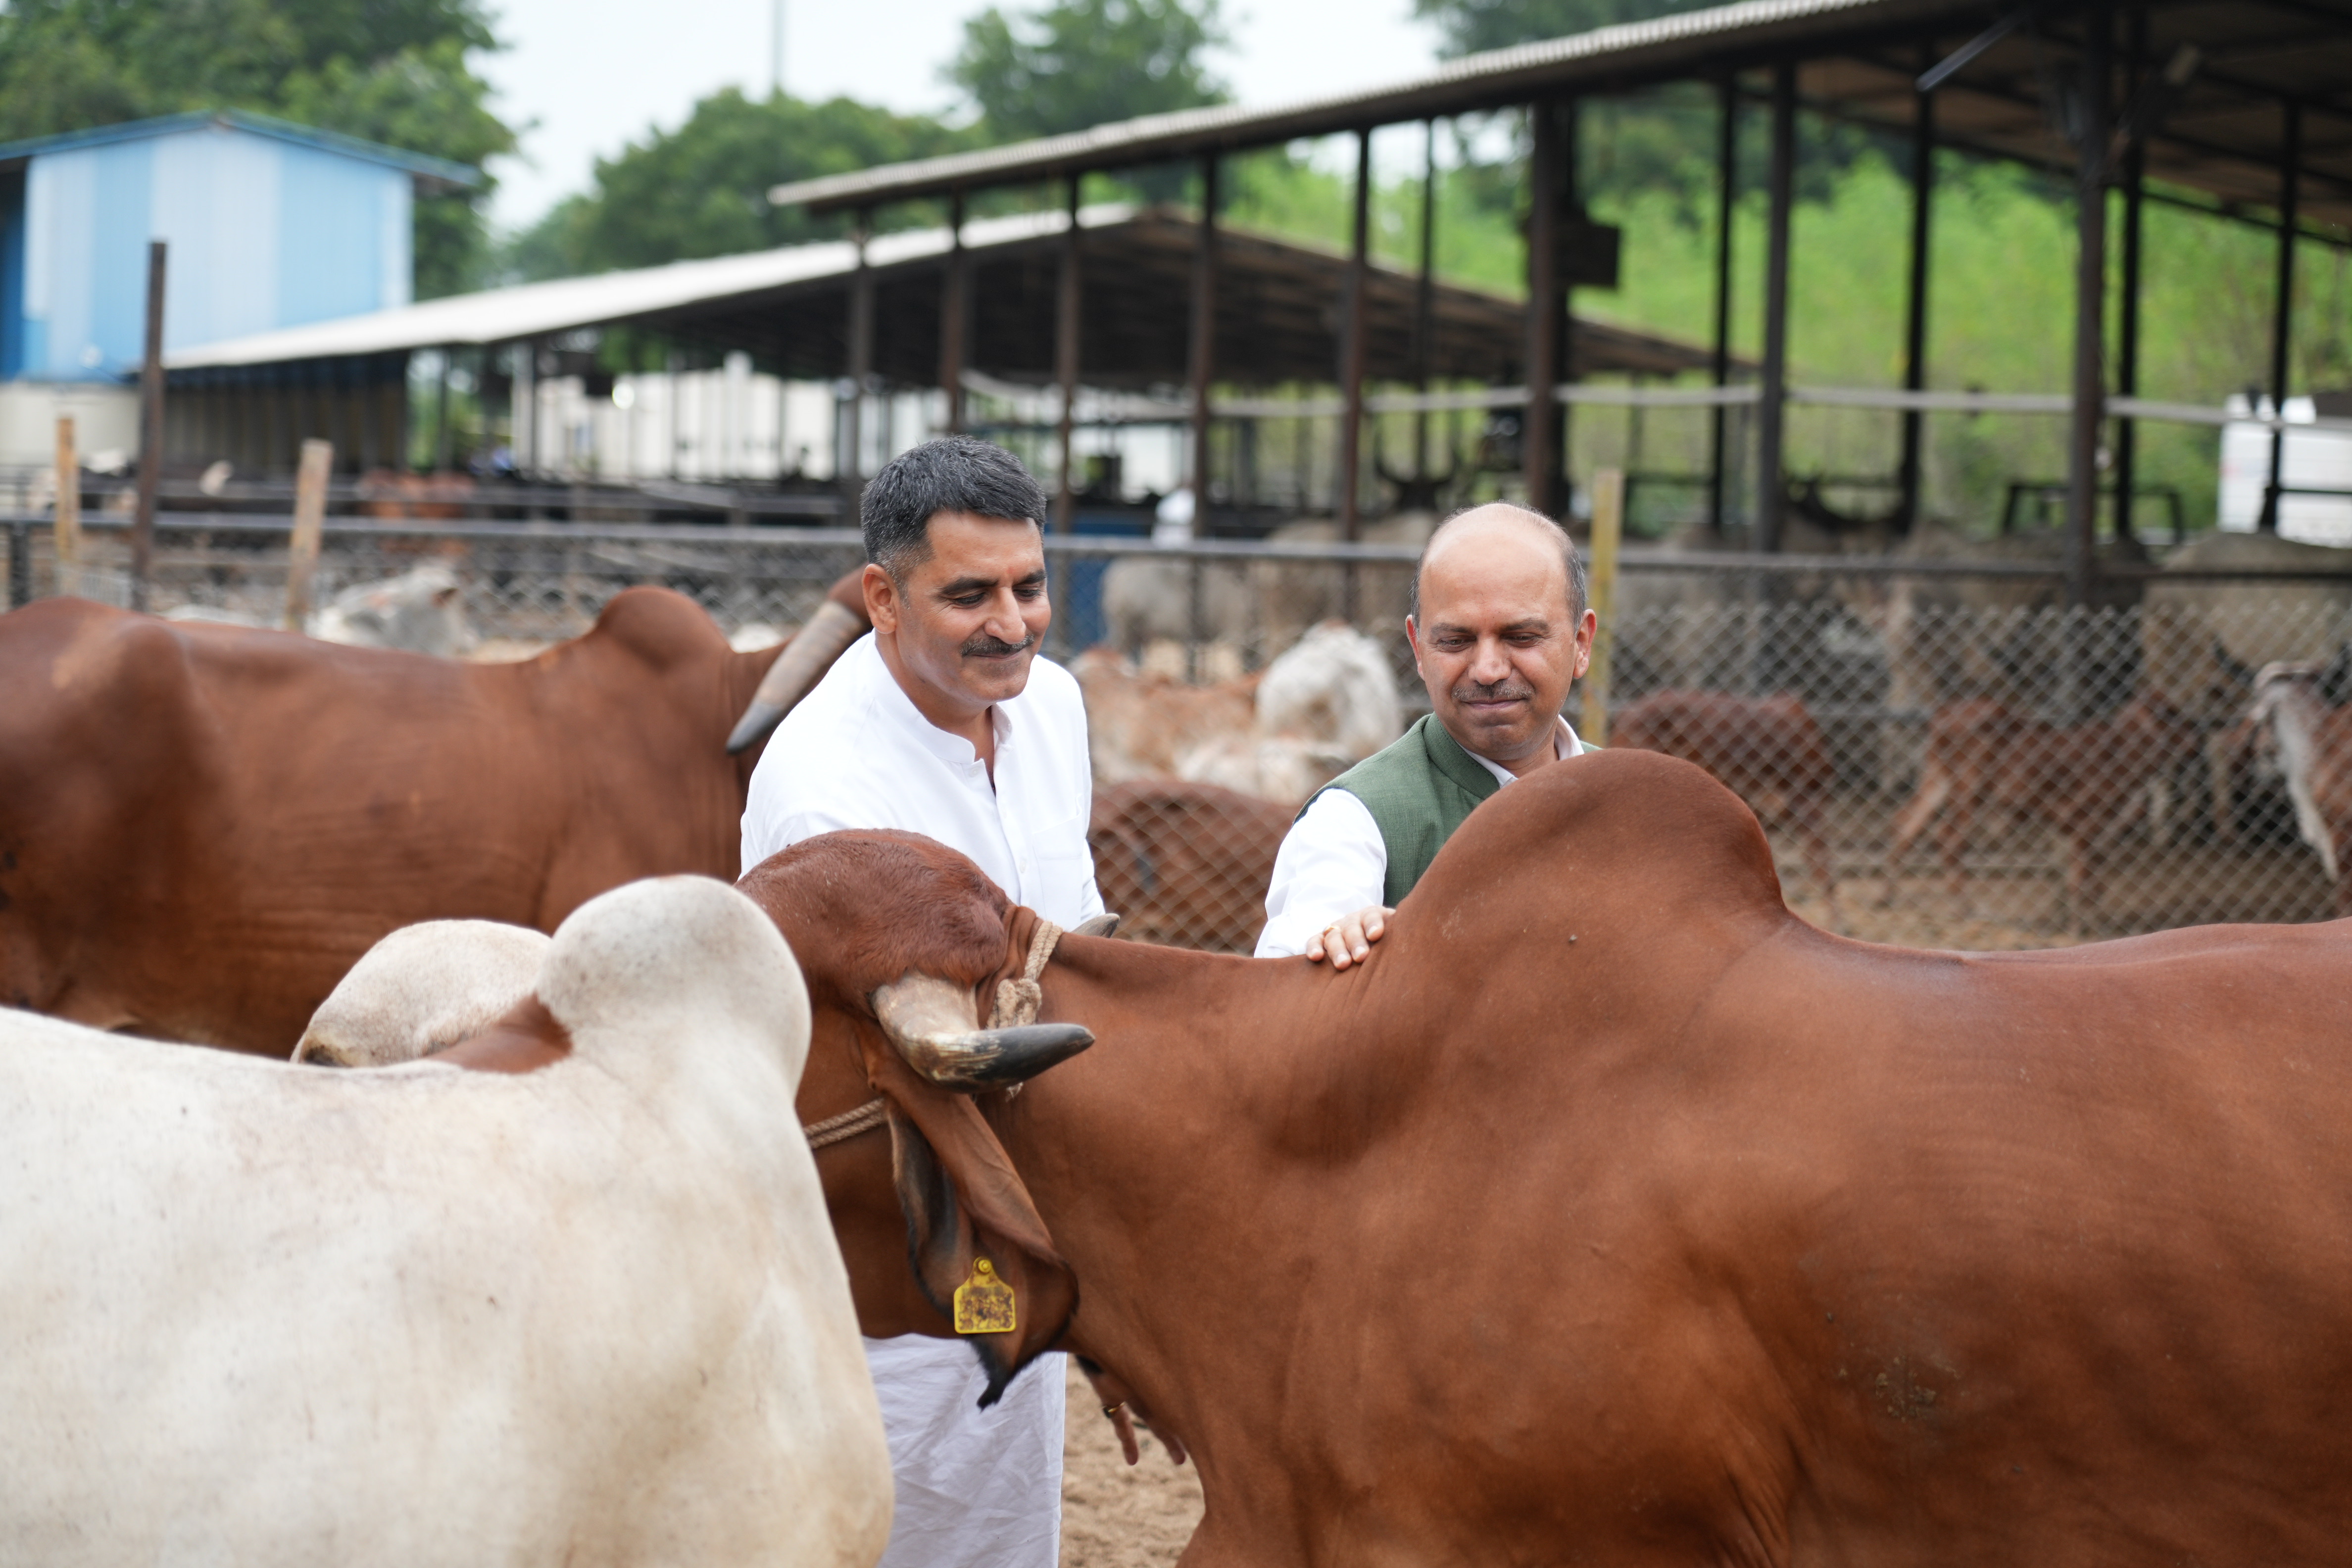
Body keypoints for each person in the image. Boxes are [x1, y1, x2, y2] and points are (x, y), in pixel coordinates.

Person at [741, 435, 1101, 1568]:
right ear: (883, 599)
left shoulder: (1053, 707)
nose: (1013, 623)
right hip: (883, 1207)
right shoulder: (825, 787)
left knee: (1006, 1489)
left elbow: (1078, 933)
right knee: (876, 1491)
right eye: (969, 595)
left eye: (1029, 586)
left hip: (1026, 1178)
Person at [1256, 502, 1596, 966]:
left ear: (1581, 644)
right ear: (1418, 649)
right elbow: (1296, 974)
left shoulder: (1633, 803)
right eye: (1455, 641)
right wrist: (1341, 950)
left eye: (1521, 637)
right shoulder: (1354, 822)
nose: (1488, 670)